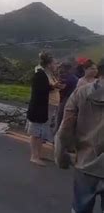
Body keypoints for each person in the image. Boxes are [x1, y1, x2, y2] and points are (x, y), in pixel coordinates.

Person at [55, 59, 104, 213]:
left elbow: (65, 129)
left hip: (86, 163)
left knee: (80, 209)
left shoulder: (80, 93)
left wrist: (61, 157)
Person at [26, 52, 64, 166]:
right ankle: (34, 156)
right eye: (55, 63)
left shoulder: (49, 74)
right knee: (36, 132)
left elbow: (46, 87)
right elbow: (40, 91)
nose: (57, 65)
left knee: (42, 131)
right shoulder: (40, 74)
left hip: (47, 106)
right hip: (40, 107)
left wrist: (54, 86)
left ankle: (38, 154)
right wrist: (53, 87)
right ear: (49, 64)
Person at [54, 62, 78, 135]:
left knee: (60, 117)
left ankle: (56, 135)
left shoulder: (69, 78)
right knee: (60, 118)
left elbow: (62, 87)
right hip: (66, 98)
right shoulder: (72, 77)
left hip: (66, 99)